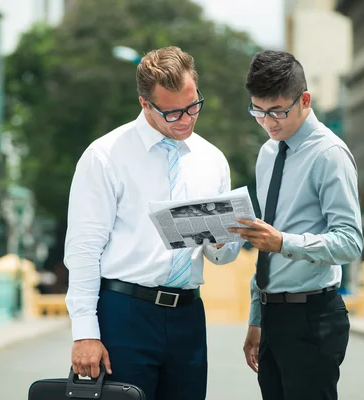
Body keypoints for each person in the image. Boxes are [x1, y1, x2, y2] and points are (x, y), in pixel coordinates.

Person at [64, 46, 242, 400]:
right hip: (125, 312)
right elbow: (84, 248)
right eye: (173, 113)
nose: (187, 119)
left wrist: (223, 242)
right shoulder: (105, 156)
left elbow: (222, 257)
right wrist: (85, 332)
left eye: (193, 106)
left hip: (188, 315)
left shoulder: (212, 159)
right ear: (146, 104)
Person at [228, 50, 364, 400]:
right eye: (258, 111)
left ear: (305, 99)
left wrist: (284, 243)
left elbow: (350, 242)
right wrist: (257, 319)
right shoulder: (268, 152)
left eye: (277, 111)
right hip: (272, 316)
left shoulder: (329, 155)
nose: (269, 122)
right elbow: (266, 243)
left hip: (313, 317)